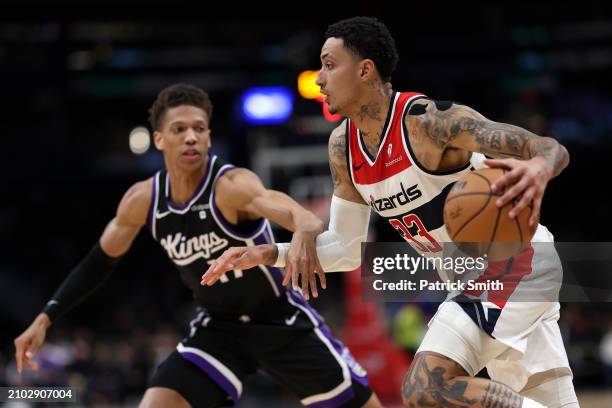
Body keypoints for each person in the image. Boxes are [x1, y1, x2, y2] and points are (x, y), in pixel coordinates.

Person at [202, 17, 579, 408]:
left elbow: (549, 148)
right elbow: (346, 249)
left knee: (425, 387)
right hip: (474, 280)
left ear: (365, 70)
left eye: (329, 65)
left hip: (514, 263)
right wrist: (268, 253)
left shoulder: (429, 123)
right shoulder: (343, 149)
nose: (319, 79)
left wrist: (538, 167)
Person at [14, 83, 382, 408]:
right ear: (159, 139)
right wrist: (45, 318)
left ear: (208, 137)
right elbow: (99, 262)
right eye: (179, 129)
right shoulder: (143, 200)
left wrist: (303, 228)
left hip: (279, 320)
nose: (191, 137)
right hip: (218, 328)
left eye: (199, 129)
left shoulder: (231, 185)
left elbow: (294, 212)